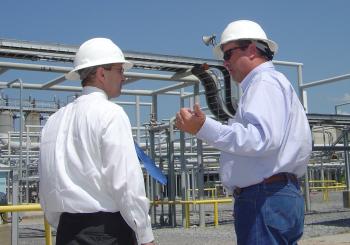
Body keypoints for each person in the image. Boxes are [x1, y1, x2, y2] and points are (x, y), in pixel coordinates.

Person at [176, 20, 312, 245]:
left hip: (264, 196)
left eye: (228, 54)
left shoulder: (263, 82)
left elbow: (261, 139)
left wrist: (203, 128)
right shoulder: (270, 83)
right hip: (275, 195)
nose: (225, 63)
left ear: (251, 50)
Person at [39, 38, 155, 245]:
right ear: (102, 73)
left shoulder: (54, 120)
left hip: (67, 232)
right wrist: (145, 234)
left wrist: (63, 223)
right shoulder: (111, 114)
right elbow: (126, 183)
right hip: (107, 231)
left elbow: (47, 184)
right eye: (120, 70)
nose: (124, 77)